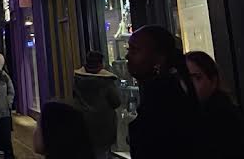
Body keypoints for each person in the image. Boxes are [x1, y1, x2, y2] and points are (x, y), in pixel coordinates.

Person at [126, 26, 200, 159]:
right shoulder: (166, 88)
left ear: (159, 58)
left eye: (134, 50)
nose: (127, 55)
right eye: (128, 49)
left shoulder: (164, 97)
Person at [185, 50, 244, 158]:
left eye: (196, 78)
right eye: (183, 79)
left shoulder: (221, 117)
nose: (189, 85)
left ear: (213, 80)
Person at [72, 50, 121, 159]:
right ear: (101, 63)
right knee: (101, 153)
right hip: (104, 125)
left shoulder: (77, 80)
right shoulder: (107, 81)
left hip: (82, 123)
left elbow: (74, 99)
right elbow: (116, 102)